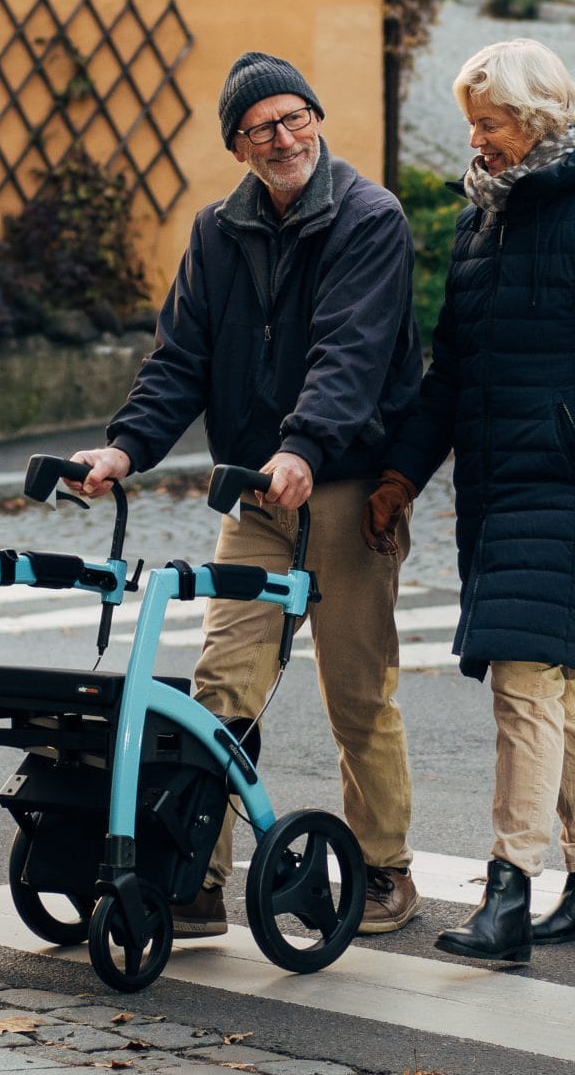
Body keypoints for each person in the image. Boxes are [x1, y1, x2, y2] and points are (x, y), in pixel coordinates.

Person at [69, 51, 425, 937]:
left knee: (356, 690)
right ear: (237, 145)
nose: (282, 137)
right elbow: (179, 361)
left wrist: (305, 445)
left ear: (317, 117)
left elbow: (352, 351)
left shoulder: (370, 219)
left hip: (341, 489)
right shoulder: (216, 233)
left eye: (294, 117)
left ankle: (384, 869)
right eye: (260, 127)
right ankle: (198, 875)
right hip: (258, 501)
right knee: (220, 686)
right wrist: (123, 449)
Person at [366, 37, 575, 966]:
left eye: (491, 122)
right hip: (499, 490)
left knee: (522, 680)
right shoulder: (483, 223)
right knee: (557, 687)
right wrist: (400, 473)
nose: (477, 139)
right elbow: (451, 376)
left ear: (539, 119)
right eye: (471, 122)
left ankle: (509, 889)